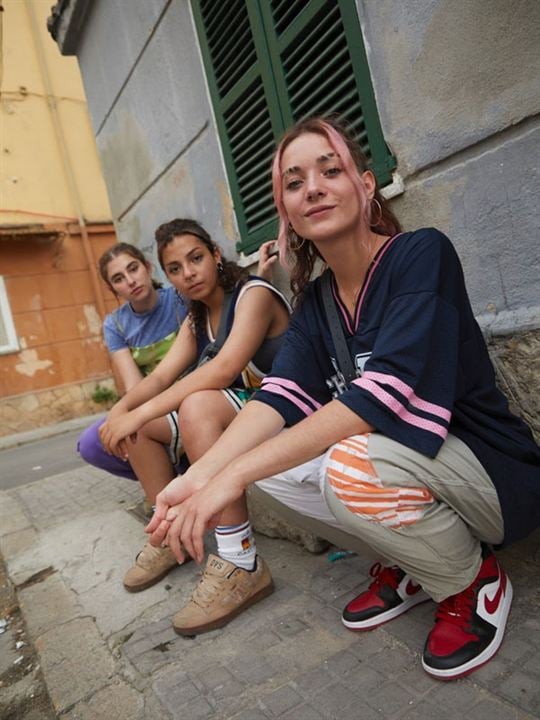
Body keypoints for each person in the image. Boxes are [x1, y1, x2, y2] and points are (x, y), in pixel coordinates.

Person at [146, 117, 540, 680]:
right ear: (287, 212)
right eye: (294, 181)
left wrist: (227, 478)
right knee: (269, 468)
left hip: (493, 476)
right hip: (413, 467)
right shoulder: (317, 301)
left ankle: (472, 582)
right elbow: (277, 399)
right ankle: (409, 561)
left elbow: (378, 397)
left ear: (366, 183)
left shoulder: (420, 255)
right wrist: (199, 475)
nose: (314, 188)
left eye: (330, 170)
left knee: (345, 466)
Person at [98, 220, 291, 620]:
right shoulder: (195, 318)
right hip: (245, 412)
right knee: (139, 427)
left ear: (216, 255)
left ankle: (241, 561)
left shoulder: (253, 295)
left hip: (287, 408)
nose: (188, 273)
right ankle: (167, 532)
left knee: (198, 404)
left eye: (196, 258)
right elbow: (161, 377)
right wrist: (120, 414)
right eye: (175, 268)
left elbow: (223, 369)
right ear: (166, 276)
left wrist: (140, 410)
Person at [77, 242, 187, 482]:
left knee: (133, 427)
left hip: (191, 394)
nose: (130, 280)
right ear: (113, 289)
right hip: (151, 399)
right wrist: (129, 415)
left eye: (133, 268)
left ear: (147, 268)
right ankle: (164, 474)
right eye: (118, 278)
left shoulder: (179, 298)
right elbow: (134, 385)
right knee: (91, 443)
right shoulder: (115, 324)